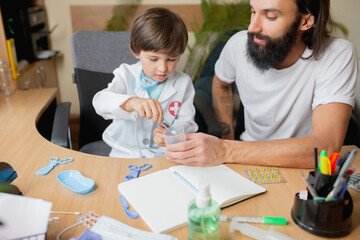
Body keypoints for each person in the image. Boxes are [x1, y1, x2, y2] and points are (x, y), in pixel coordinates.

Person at [164, 0, 358, 168]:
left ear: (305, 21)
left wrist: (225, 149)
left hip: (301, 165)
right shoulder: (238, 45)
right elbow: (221, 83)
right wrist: (227, 134)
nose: (252, 27)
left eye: (270, 16)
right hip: (245, 158)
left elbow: (325, 146)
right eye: (253, 12)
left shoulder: (337, 55)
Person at [93, 7, 198, 158]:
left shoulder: (183, 83)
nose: (162, 68)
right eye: (153, 59)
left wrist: (172, 134)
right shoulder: (125, 74)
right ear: (135, 51)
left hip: (164, 154)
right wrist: (131, 102)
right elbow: (100, 102)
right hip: (124, 154)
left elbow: (188, 123)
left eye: (171, 59)